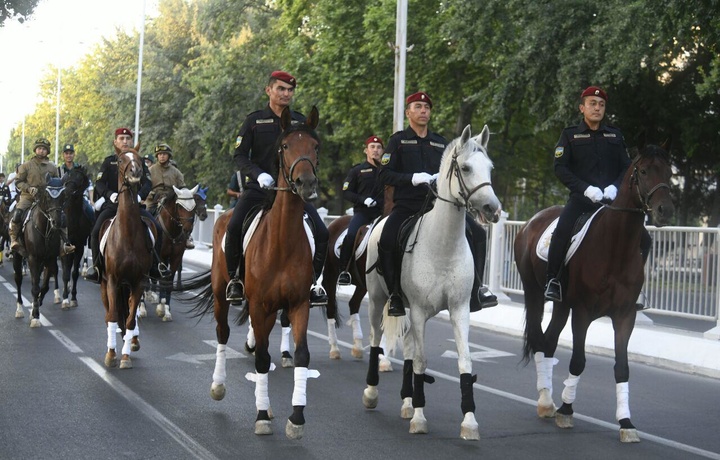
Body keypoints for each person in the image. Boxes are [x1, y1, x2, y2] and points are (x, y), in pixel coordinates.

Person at [378, 91, 497, 317]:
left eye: (426, 107)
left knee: (479, 235)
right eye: (418, 106)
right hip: (408, 205)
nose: (423, 111)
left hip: (438, 206)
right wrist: (412, 178)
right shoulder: (398, 141)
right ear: (408, 113)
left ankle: (477, 289)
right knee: (387, 238)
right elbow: (384, 174)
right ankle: (394, 294)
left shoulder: (441, 143)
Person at [224, 70, 329, 306]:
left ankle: (313, 284)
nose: (286, 94)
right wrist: (258, 174)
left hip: (292, 193)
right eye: (281, 89)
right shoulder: (253, 121)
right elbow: (239, 156)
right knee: (233, 227)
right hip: (260, 189)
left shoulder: (300, 122)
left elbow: (309, 154)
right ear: (269, 90)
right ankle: (235, 280)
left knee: (321, 233)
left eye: (290, 90)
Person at [544, 86, 651, 310]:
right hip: (582, 200)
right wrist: (585, 189)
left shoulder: (614, 135)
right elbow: (560, 168)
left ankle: (633, 287)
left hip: (612, 203)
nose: (597, 108)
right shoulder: (570, 134)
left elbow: (627, 167)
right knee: (562, 231)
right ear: (582, 107)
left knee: (644, 239)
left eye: (601, 105)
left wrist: (614, 187)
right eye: (593, 103)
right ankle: (553, 281)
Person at [86, 128, 168, 283]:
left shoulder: (139, 160)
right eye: (121, 138)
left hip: (135, 206)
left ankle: (155, 266)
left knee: (157, 228)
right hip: (113, 206)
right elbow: (100, 183)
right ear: (115, 142)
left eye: (127, 138)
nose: (124, 141)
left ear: (132, 141)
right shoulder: (109, 161)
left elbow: (148, 183)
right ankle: (96, 267)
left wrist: (139, 196)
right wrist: (111, 195)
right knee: (96, 230)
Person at [10, 138, 75, 257]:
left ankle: (64, 243)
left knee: (61, 216)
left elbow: (58, 182)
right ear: (35, 150)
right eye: (39, 148)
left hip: (48, 199)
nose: (41, 151)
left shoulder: (52, 167)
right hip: (29, 197)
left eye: (44, 149)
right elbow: (18, 182)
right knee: (17, 213)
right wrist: (29, 188)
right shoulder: (26, 166)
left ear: (47, 151)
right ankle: (14, 239)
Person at [337, 135, 385, 286]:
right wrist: (363, 200)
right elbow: (346, 192)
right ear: (366, 150)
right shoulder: (357, 170)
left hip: (383, 213)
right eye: (372, 147)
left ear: (383, 151)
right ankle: (344, 271)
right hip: (363, 213)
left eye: (378, 148)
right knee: (351, 235)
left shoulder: (387, 172)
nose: (375, 150)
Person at [144, 143, 194, 249]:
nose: (162, 156)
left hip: (172, 198)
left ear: (169, 156)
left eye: (164, 154)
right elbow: (145, 186)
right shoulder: (150, 171)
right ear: (157, 156)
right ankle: (144, 238)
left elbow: (182, 187)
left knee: (185, 213)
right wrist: (150, 194)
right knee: (145, 215)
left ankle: (188, 236)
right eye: (160, 154)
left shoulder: (176, 172)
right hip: (154, 198)